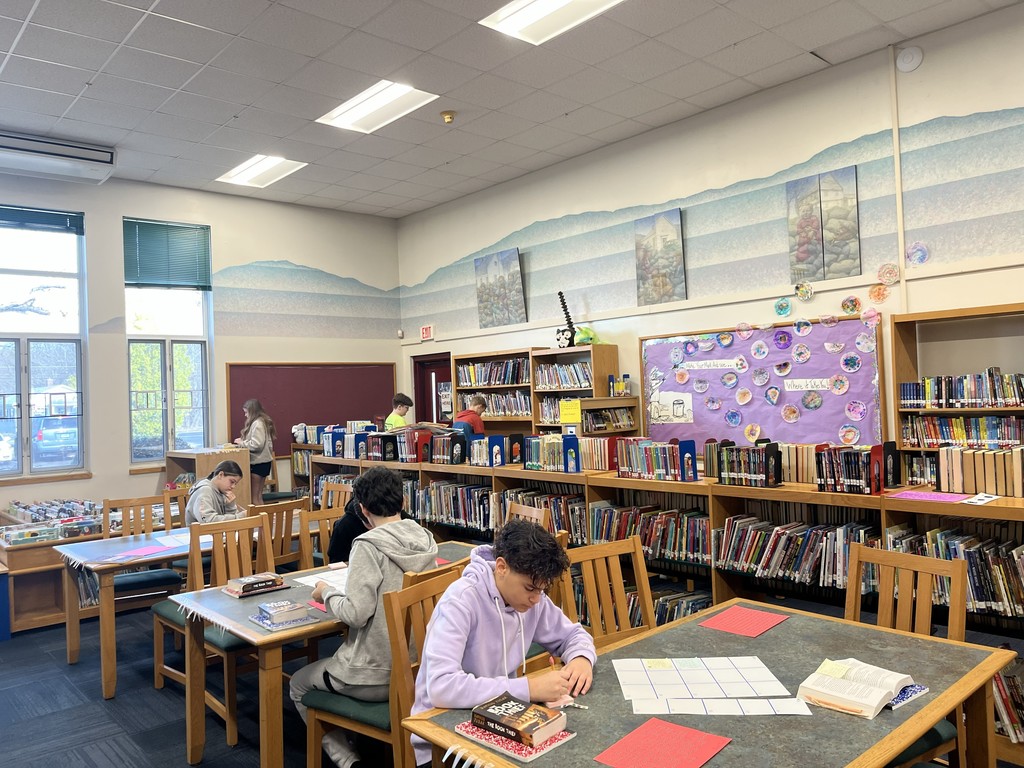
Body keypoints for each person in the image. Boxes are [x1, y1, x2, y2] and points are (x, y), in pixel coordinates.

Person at [409, 519, 596, 768]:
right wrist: (528, 688)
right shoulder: (461, 601)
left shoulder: (529, 599)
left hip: (502, 722)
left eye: (542, 590)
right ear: (501, 567)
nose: (536, 599)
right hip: (443, 739)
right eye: (530, 588)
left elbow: (573, 635)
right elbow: (442, 688)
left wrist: (581, 658)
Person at [289, 466, 437, 768]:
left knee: (297, 683)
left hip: (374, 677)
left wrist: (326, 591)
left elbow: (355, 614)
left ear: (362, 509)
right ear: (404, 503)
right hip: (418, 670)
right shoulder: (425, 539)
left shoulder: (367, 546)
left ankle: (348, 761)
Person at [234, 398, 276, 506]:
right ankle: (264, 521)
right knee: (258, 496)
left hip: (257, 463)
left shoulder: (257, 424)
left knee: (254, 498)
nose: (245, 415)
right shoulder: (263, 422)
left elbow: (257, 444)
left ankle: (259, 521)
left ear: (252, 411)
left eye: (246, 412)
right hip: (265, 462)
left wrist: (241, 442)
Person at [184, 460, 244, 525]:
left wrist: (230, 506)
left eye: (235, 484)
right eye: (232, 482)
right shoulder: (204, 491)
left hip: (218, 533)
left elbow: (233, 523)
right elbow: (208, 521)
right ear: (221, 475)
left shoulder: (222, 491)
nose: (233, 486)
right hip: (200, 534)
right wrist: (240, 517)